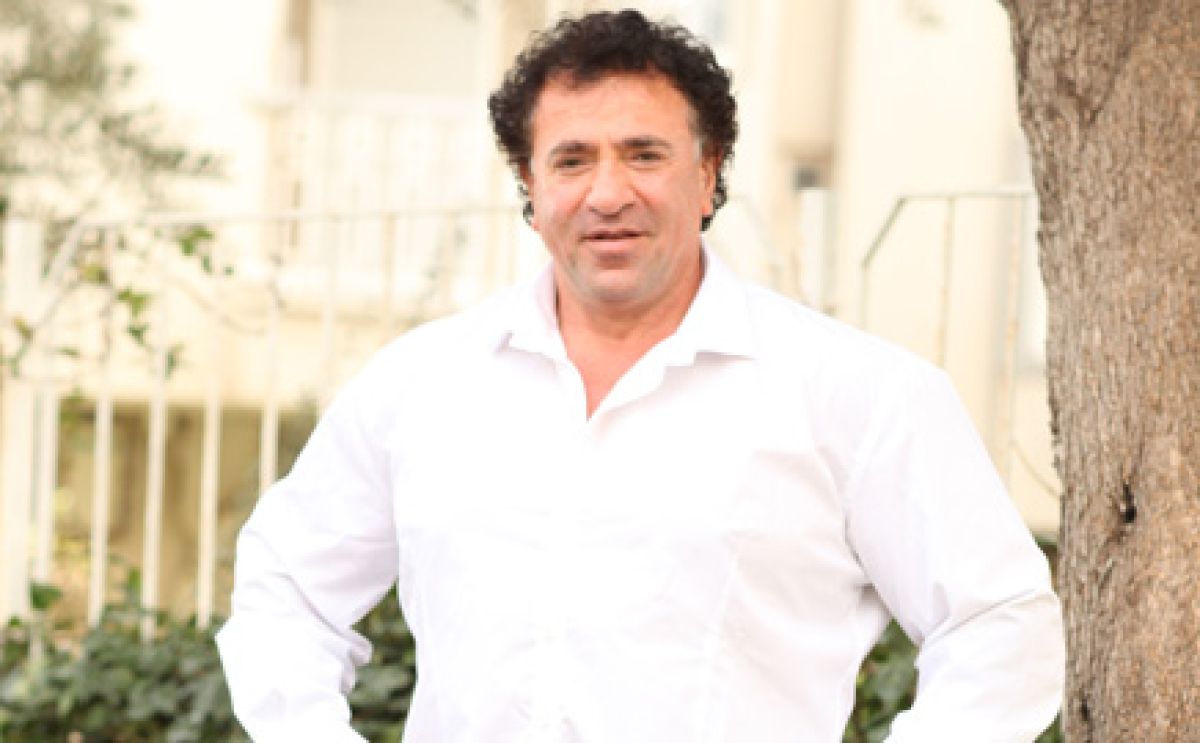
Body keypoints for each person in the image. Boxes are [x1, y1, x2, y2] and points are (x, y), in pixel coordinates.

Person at [217, 9, 1064, 742]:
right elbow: (285, 585)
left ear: (707, 172)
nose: (607, 192)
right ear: (530, 183)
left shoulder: (856, 393)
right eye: (572, 159)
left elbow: (999, 621)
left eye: (644, 154)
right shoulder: (421, 385)